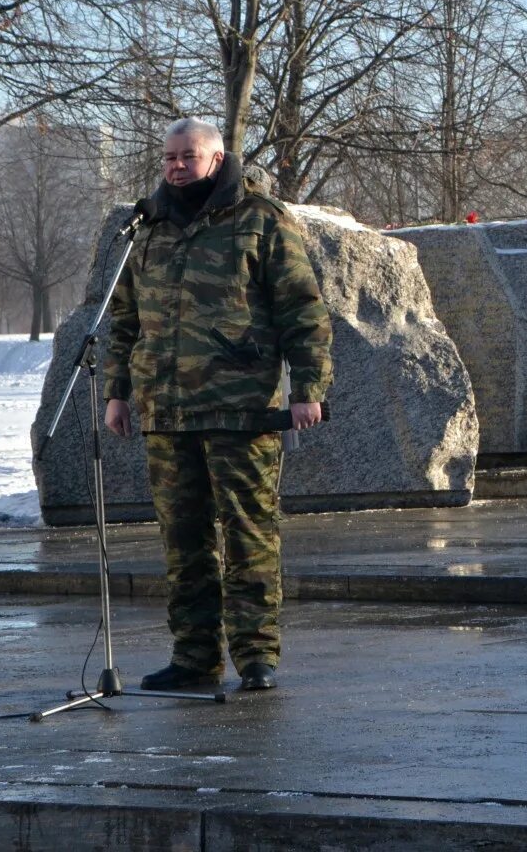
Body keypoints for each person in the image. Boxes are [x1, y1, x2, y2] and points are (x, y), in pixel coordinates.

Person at [103, 117, 332, 692]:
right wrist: (116, 392)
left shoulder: (260, 220)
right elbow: (124, 320)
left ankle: (256, 657)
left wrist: (307, 389)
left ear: (216, 158)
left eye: (187, 156)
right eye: (168, 157)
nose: (176, 166)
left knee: (248, 532)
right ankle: (195, 655)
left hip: (239, 407)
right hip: (165, 410)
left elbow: (303, 312)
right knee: (183, 541)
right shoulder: (148, 227)